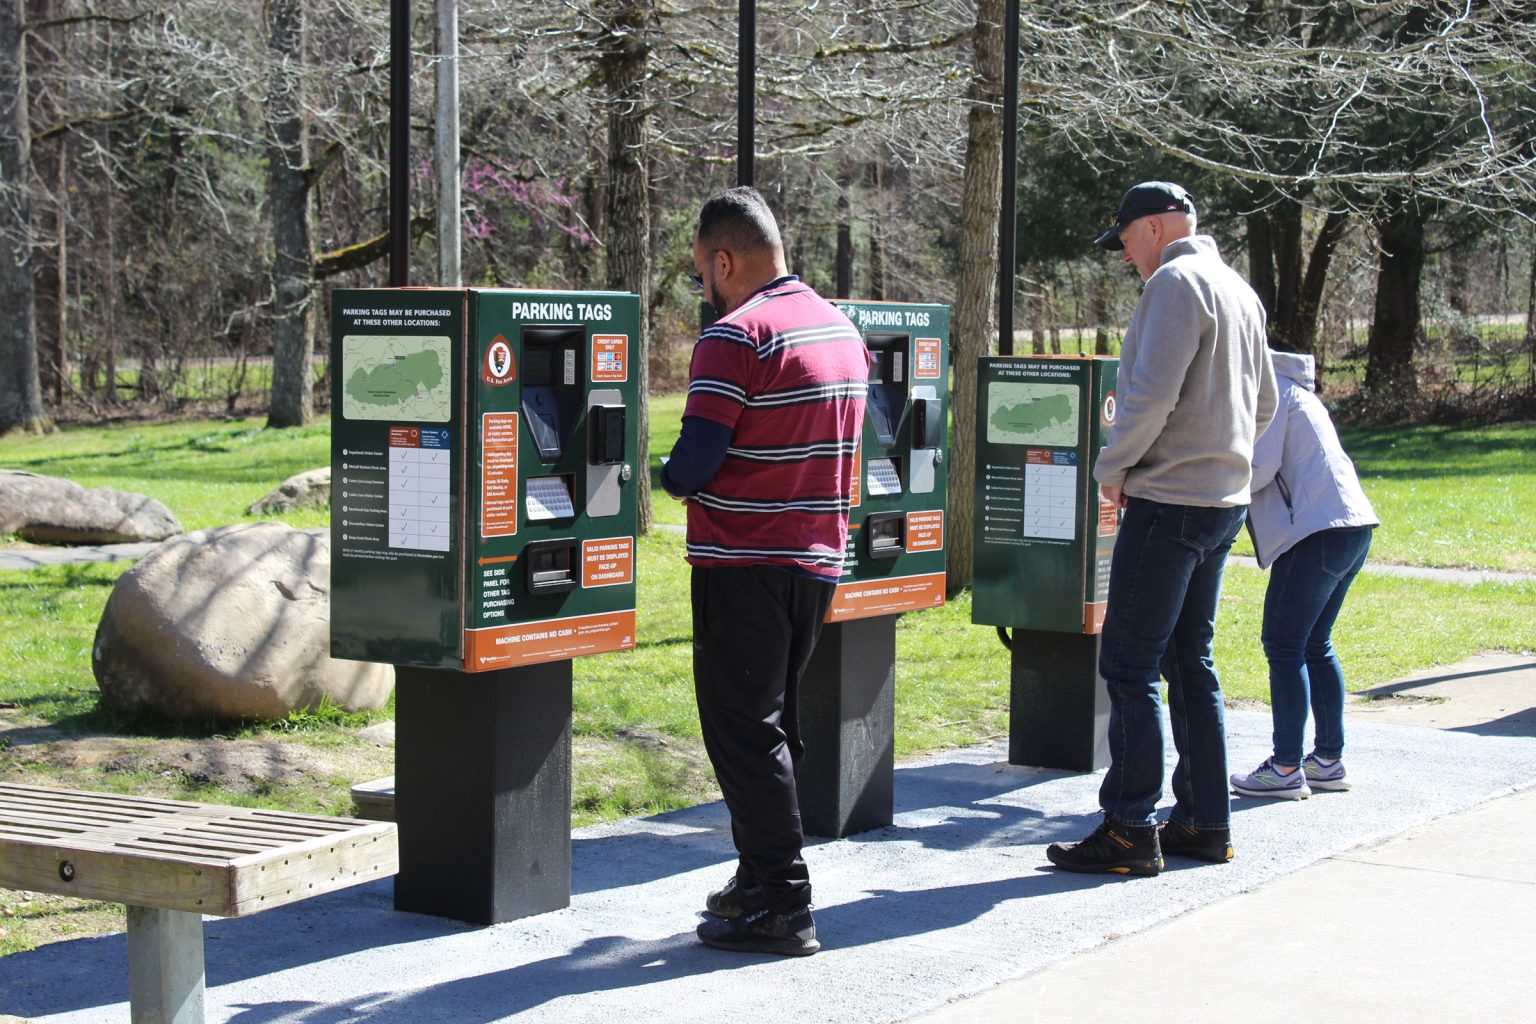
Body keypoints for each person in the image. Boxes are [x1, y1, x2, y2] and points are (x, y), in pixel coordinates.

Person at [1046, 181, 1277, 876]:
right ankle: (1205, 821)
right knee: (1189, 664)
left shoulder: (1176, 283)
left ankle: (1127, 827)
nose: (1123, 255)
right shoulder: (1237, 287)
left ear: (1154, 227)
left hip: (1169, 499)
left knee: (1129, 662)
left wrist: (1112, 468)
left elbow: (1148, 395)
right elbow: (1264, 402)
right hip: (1221, 500)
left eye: (1124, 238)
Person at [661, 186, 869, 956]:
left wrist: (656, 472)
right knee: (775, 726)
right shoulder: (840, 329)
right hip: (814, 561)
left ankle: (782, 900)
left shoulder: (736, 336)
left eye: (698, 275)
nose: (701, 289)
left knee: (743, 732)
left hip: (742, 562)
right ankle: (758, 877)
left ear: (724, 260)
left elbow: (695, 464)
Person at [1230, 350, 1378, 800]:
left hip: (1316, 533)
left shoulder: (1269, 392)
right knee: (1316, 643)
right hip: (1351, 528)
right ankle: (1328, 761)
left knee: (1284, 644)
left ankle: (1285, 767)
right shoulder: (1295, 389)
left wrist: (1208, 477)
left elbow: (1258, 467)